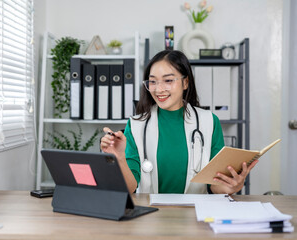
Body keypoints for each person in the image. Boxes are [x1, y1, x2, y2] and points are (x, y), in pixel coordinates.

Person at [100, 50, 258, 195]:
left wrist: (234, 185)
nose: (159, 89)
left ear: (185, 83)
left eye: (168, 80)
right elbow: (130, 187)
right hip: (150, 216)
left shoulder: (209, 121)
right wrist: (119, 157)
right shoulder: (135, 125)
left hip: (195, 215)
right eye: (153, 82)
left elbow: (216, 185)